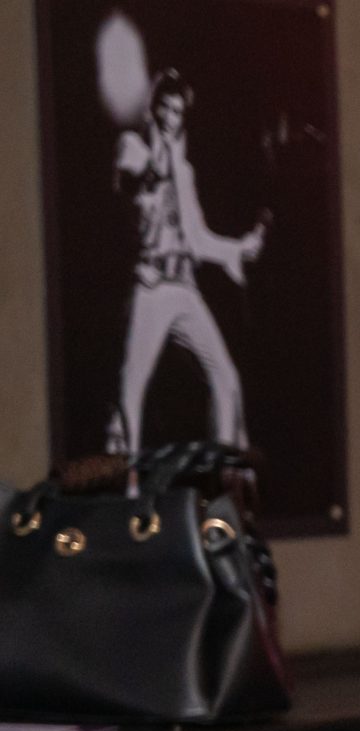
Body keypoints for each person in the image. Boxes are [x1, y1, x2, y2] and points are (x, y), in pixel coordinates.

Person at [110, 69, 266, 455]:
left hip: (183, 289)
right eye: (164, 108)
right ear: (152, 110)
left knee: (226, 379)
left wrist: (239, 248)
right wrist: (160, 160)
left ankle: (225, 475)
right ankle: (124, 483)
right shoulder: (132, 147)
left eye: (177, 112)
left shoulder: (185, 172)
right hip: (151, 287)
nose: (170, 117)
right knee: (132, 388)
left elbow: (197, 239)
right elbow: (135, 177)